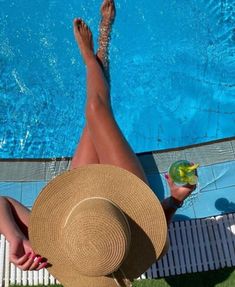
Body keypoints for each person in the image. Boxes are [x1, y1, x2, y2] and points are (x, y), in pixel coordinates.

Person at [0, 0, 195, 273]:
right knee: (98, 109)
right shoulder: (126, 256)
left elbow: (3, 202)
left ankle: (96, 54)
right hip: (126, 201)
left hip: (77, 207)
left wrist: (15, 236)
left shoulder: (67, 251)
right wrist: (175, 199)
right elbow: (154, 228)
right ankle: (96, 48)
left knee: (96, 113)